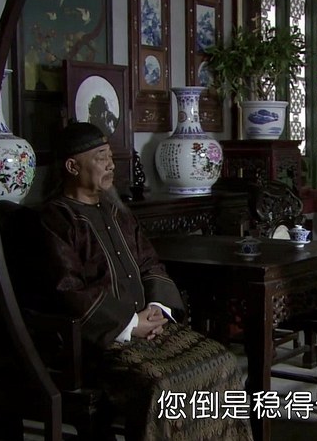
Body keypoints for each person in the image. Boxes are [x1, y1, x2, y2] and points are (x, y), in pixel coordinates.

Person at [37, 121, 252, 441]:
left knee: (223, 362)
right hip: (102, 341)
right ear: (72, 166)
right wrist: (130, 323)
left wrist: (158, 308)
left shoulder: (117, 211)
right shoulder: (57, 218)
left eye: (111, 156)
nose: (110, 165)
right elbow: (68, 290)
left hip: (150, 325)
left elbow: (150, 262)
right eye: (100, 157)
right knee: (162, 385)